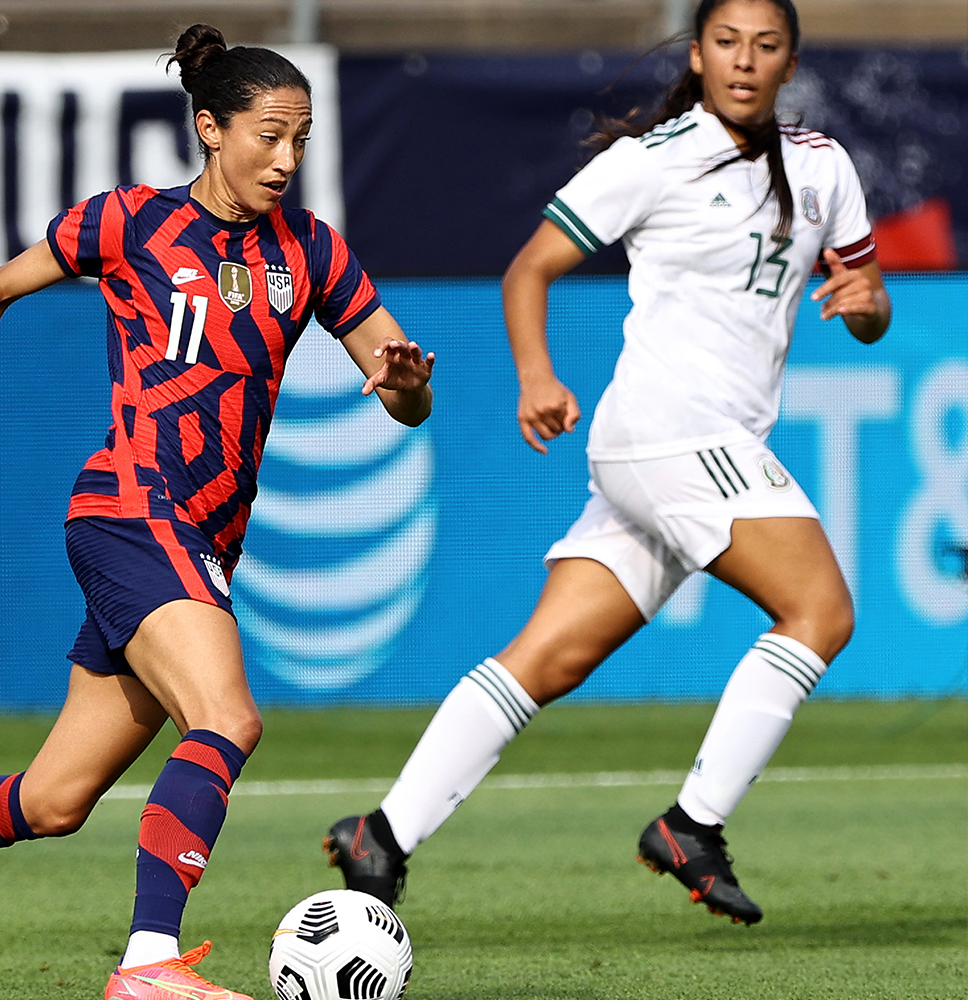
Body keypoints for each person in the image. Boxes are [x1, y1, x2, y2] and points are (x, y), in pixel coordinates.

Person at [0, 23, 435, 1000]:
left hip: (200, 540)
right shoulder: (131, 223)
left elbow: (402, 395)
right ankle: (148, 963)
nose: (287, 158)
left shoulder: (313, 252)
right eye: (268, 135)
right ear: (210, 128)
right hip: (131, 507)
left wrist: (407, 384)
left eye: (301, 138)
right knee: (227, 717)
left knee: (53, 799)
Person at [325, 0, 888, 926]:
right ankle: (691, 825)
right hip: (672, 432)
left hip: (685, 447)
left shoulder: (825, 167)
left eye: (767, 45)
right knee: (820, 610)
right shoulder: (652, 160)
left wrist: (867, 302)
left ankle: (381, 833)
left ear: (791, 62)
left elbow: (866, 309)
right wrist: (535, 375)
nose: (745, 61)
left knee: (549, 657)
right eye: (726, 42)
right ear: (698, 54)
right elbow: (529, 268)